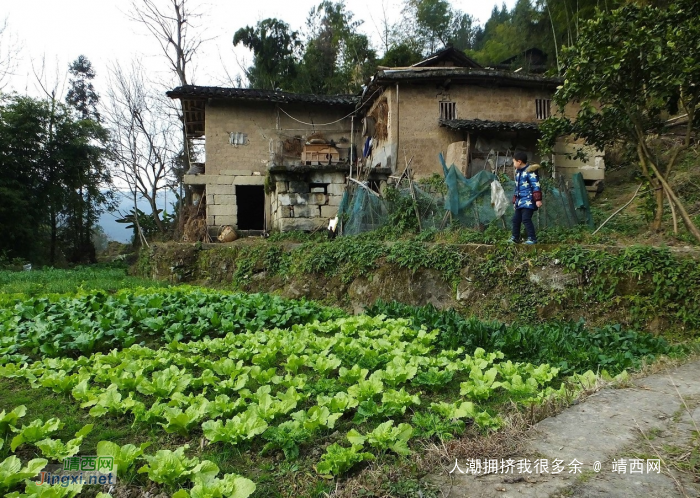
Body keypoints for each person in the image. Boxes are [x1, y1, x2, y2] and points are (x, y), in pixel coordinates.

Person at [509, 151, 542, 244]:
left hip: (529, 200)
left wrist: (538, 199)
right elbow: (517, 188)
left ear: (519, 161)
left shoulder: (530, 172)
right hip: (520, 201)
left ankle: (532, 238)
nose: (513, 164)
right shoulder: (518, 173)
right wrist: (515, 201)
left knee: (526, 219)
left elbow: (536, 185)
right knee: (516, 219)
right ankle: (515, 237)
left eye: (514, 162)